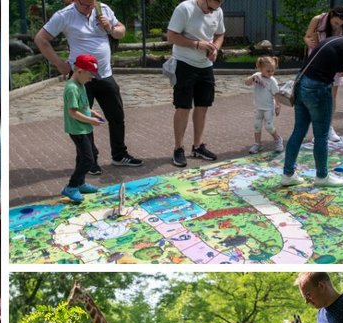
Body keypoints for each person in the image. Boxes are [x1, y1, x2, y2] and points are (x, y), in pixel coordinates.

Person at [35, 0, 143, 174]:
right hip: (81, 77)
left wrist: (111, 29)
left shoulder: (103, 9)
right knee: (82, 120)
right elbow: (41, 38)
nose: (90, 9)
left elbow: (120, 32)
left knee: (117, 116)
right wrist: (59, 64)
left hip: (105, 74)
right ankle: (90, 159)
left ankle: (119, 155)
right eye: (86, 6)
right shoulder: (64, 15)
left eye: (92, 5)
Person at [279, 21, 343, 188]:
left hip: (301, 84)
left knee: (299, 131)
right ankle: (322, 176)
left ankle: (288, 174)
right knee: (322, 135)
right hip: (318, 89)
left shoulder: (333, 40)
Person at [167, 0, 225, 168]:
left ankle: (198, 146)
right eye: (209, 8)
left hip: (205, 66)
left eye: (217, 7)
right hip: (184, 63)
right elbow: (171, 36)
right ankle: (178, 148)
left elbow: (220, 34)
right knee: (183, 107)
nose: (210, 12)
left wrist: (215, 49)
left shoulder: (217, 10)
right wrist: (197, 44)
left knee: (202, 106)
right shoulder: (185, 8)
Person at [58, 54, 105, 204]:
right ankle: (71, 186)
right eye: (90, 74)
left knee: (85, 156)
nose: (91, 78)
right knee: (88, 159)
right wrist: (90, 120)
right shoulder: (72, 88)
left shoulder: (81, 84)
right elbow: (72, 112)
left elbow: (83, 106)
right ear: (79, 71)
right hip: (78, 130)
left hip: (86, 128)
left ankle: (81, 183)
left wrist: (92, 112)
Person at [304, 5, 343, 142]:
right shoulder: (318, 19)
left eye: (340, 24)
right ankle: (317, 130)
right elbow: (307, 37)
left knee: (331, 97)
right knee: (317, 97)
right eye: (335, 22)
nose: (337, 25)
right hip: (318, 61)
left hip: (335, 62)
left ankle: (329, 127)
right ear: (331, 15)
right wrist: (309, 41)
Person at [244, 56, 283, 154]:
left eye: (272, 71)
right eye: (268, 71)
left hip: (268, 108)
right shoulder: (257, 75)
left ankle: (278, 139)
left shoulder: (272, 81)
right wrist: (252, 78)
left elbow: (276, 95)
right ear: (261, 68)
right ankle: (257, 144)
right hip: (258, 107)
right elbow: (246, 83)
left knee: (269, 127)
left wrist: (278, 106)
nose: (271, 73)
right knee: (257, 125)